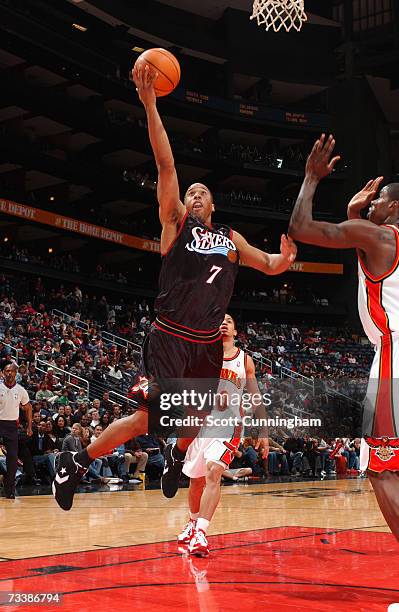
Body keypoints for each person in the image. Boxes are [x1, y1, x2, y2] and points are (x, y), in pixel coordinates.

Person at [52, 62, 296, 512]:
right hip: (169, 337)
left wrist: (285, 260)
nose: (196, 195)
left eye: (203, 192)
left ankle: (176, 456)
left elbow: (269, 264)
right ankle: (74, 461)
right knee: (150, 417)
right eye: (191, 192)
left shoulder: (231, 240)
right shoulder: (175, 224)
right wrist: (149, 105)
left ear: (215, 203)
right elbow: (165, 161)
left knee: (196, 423)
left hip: (204, 346)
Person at [288, 132, 399, 540]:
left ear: (396, 209)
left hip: (394, 356)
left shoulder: (382, 237)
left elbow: (300, 227)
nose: (373, 202)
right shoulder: (378, 238)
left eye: (380, 200)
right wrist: (360, 218)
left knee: (383, 471)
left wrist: (311, 178)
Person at [177, 314, 269, 557]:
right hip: (200, 423)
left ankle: (200, 533)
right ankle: (192, 522)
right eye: (220, 319)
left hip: (229, 425)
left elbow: (256, 396)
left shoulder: (245, 360)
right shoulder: (203, 355)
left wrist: (264, 431)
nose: (223, 322)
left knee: (213, 472)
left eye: (229, 320)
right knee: (195, 480)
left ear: (236, 331)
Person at [0, 363, 32, 498]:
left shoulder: (21, 390)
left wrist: (29, 426)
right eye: (7, 371)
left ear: (16, 373)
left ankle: (10, 491)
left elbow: (28, 407)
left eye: (12, 371)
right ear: (3, 372)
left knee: (12, 459)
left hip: (12, 426)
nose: (9, 373)